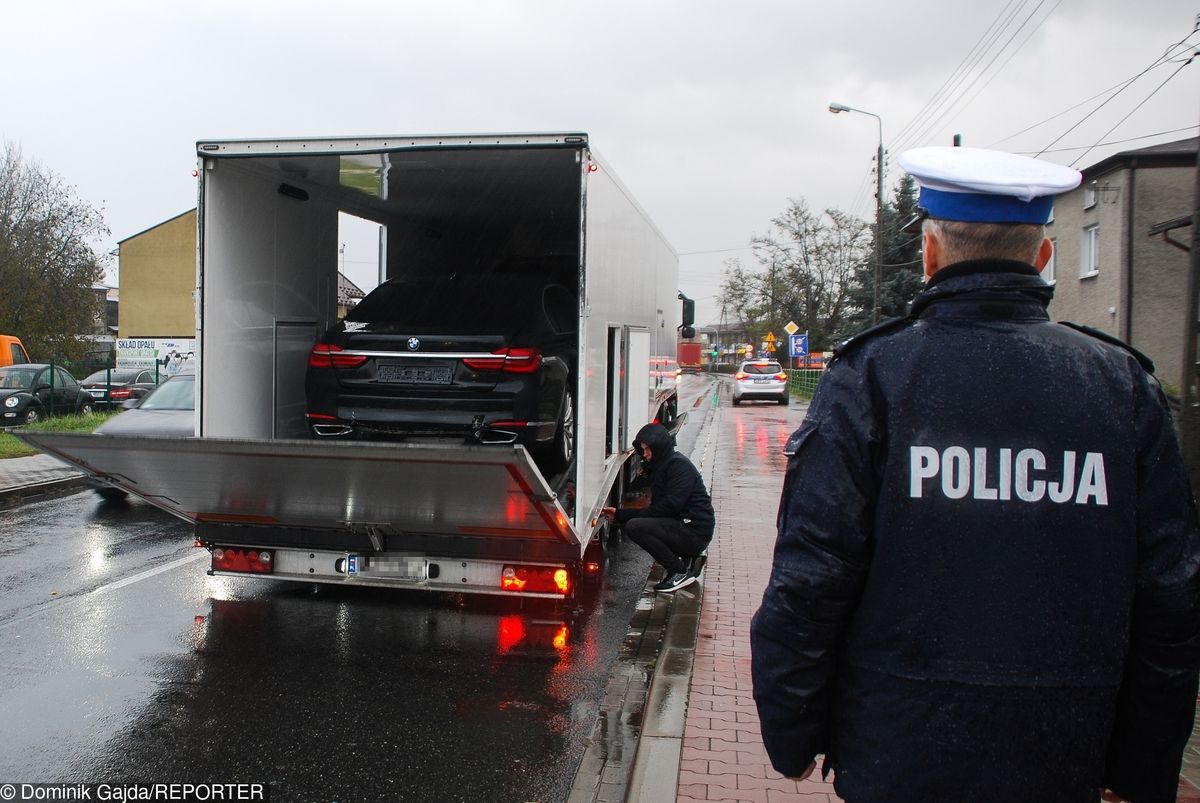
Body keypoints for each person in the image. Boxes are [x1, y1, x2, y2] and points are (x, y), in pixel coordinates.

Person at [750, 145, 1200, 803]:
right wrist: (1141, 766)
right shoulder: (1122, 387)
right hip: (1065, 750)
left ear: (930, 254)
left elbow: (811, 579)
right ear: (1044, 257)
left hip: (897, 751)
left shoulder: (872, 377)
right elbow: (1171, 596)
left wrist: (792, 734)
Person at [602, 422, 714, 592]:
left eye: (648, 449)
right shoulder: (664, 466)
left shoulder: (678, 466)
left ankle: (679, 571)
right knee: (643, 523)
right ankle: (687, 558)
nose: (645, 455)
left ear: (659, 448)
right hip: (687, 527)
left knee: (636, 527)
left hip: (695, 532)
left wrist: (624, 516)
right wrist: (619, 515)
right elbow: (659, 510)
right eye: (643, 450)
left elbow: (668, 507)